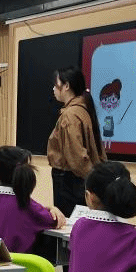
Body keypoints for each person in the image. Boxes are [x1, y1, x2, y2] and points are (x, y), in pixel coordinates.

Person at [47, 67, 106, 216]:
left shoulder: (70, 115)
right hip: (77, 180)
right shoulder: (82, 108)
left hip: (70, 181)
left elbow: (77, 156)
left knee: (69, 223)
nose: (53, 89)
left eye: (56, 84)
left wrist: (92, 179)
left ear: (66, 86)